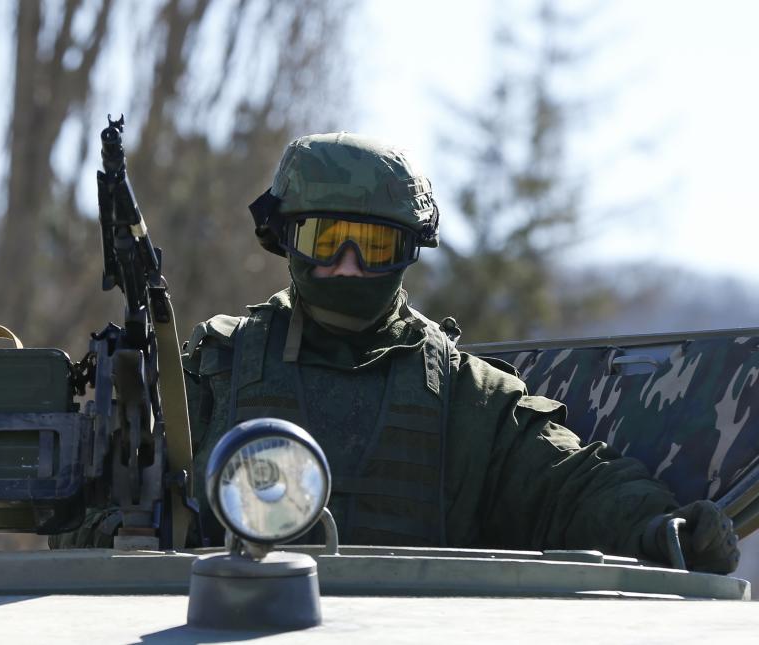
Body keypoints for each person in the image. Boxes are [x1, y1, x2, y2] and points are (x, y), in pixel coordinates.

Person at [180, 132, 740, 573]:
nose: (347, 263)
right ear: (284, 239)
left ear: (406, 251)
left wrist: (660, 526)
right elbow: (121, 492)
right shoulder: (216, 369)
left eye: (372, 245)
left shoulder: (463, 395)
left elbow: (568, 486)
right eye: (325, 241)